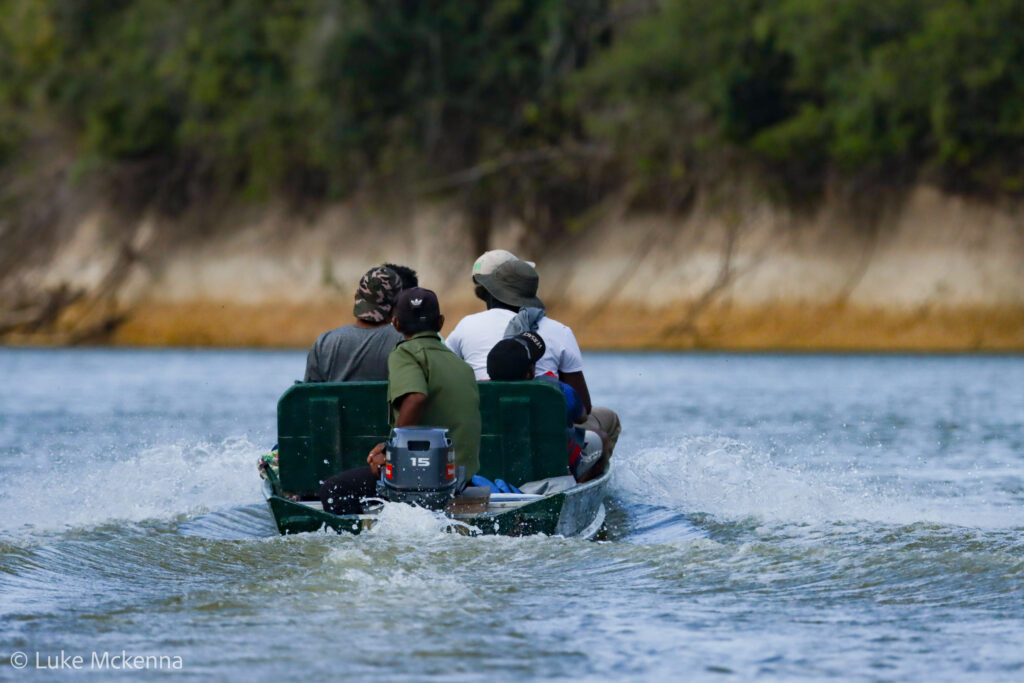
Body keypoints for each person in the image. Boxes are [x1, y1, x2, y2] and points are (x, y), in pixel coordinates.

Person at [320, 287, 481, 515]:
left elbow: (415, 397)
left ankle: (360, 547)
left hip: (426, 478)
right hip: (460, 478)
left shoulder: (405, 353)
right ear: (441, 322)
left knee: (334, 489)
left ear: (395, 324)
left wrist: (391, 450)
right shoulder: (461, 365)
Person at [447, 256, 620, 458]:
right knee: (607, 420)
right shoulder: (559, 332)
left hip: (482, 435)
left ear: (493, 291)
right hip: (546, 439)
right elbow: (583, 410)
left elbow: (447, 376)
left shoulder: (467, 325)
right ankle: (581, 477)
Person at [487, 333, 609, 482]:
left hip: (496, 466)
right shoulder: (553, 390)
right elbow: (582, 416)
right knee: (602, 437)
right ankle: (578, 485)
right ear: (530, 372)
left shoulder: (479, 393)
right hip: (550, 467)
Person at [304, 266, 404, 382]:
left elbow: (309, 394)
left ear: (356, 297)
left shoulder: (324, 343)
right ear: (396, 306)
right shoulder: (404, 343)